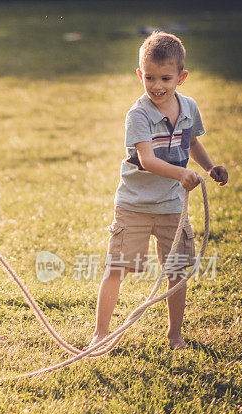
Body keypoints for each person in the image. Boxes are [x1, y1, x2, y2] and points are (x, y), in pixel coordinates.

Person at [92, 32, 228, 350]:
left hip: (171, 206)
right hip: (134, 205)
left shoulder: (189, 108)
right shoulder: (138, 114)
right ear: (140, 74)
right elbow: (146, 160)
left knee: (177, 270)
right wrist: (182, 173)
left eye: (165, 78)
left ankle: (174, 335)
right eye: (149, 77)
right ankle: (100, 332)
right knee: (117, 268)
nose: (157, 85)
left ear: (181, 77)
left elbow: (191, 141)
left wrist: (209, 168)